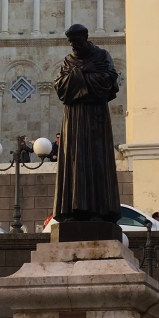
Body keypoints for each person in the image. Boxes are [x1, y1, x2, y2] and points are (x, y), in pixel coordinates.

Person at [52, 23, 121, 224]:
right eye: (71, 42)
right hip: (73, 119)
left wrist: (77, 77)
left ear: (85, 38)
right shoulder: (68, 61)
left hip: (95, 118)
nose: (74, 46)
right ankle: (74, 211)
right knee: (74, 161)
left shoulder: (102, 56)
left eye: (76, 41)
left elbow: (108, 83)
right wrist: (85, 73)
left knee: (96, 159)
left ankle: (100, 211)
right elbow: (61, 89)